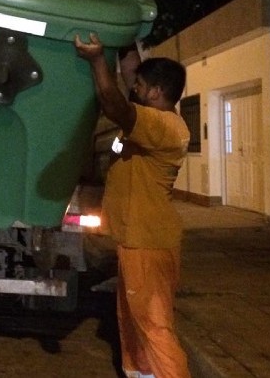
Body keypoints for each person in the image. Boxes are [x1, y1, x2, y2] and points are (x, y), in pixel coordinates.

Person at [74, 32, 191, 378]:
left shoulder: (163, 125)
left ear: (156, 92)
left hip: (149, 243)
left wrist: (97, 60)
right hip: (136, 241)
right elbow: (129, 79)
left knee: (154, 328)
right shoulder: (150, 124)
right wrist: (123, 41)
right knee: (132, 325)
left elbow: (115, 105)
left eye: (140, 85)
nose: (134, 88)